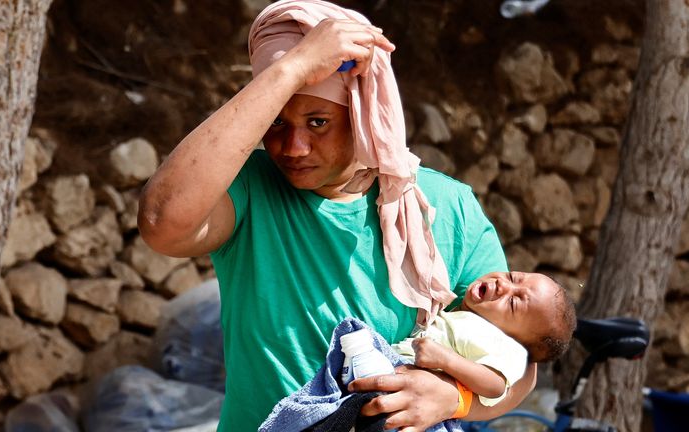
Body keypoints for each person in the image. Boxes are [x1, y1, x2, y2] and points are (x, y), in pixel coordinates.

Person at [138, 0, 537, 430]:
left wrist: (453, 397)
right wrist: (293, 68)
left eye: (317, 122)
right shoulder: (249, 190)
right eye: (275, 121)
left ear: (363, 113)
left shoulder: (444, 207)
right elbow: (163, 221)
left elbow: (520, 366)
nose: (293, 147)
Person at [394, 271, 577, 407]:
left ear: (513, 340)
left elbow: (495, 386)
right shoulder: (465, 313)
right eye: (512, 277)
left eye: (513, 303)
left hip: (413, 393)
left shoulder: (506, 347)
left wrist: (446, 359)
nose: (503, 285)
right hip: (398, 369)